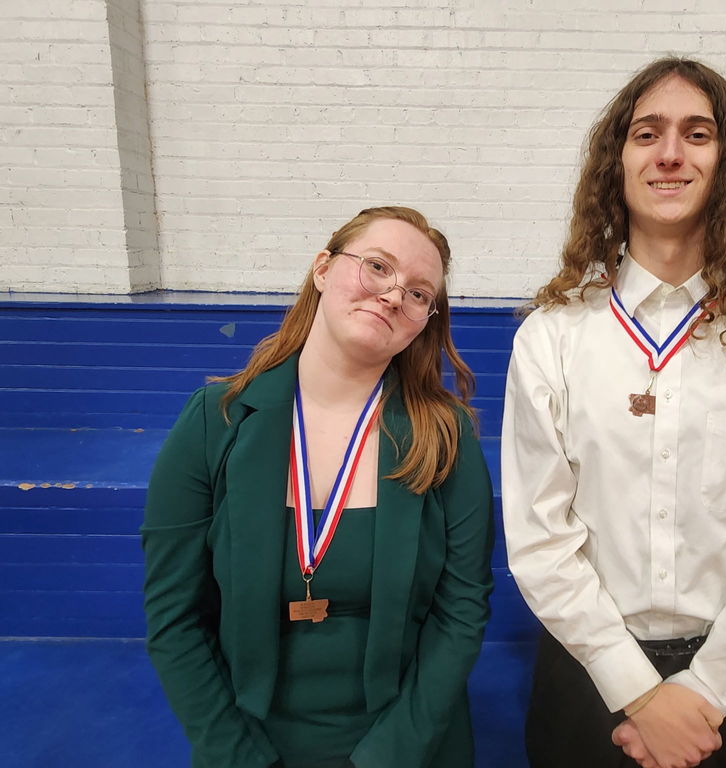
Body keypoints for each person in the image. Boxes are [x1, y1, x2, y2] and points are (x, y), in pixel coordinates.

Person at [501, 57, 726, 768]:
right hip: (586, 676)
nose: (670, 154)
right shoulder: (554, 335)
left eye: (698, 134)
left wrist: (705, 694)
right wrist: (638, 691)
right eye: (647, 132)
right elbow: (539, 536)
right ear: (616, 161)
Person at [142, 206, 495, 768]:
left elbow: (462, 611)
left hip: (407, 742)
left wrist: (389, 757)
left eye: (419, 293)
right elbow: (174, 618)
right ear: (323, 269)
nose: (393, 295)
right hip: (248, 740)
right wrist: (238, 756)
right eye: (378, 266)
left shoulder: (446, 436)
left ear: (425, 319)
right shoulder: (216, 421)